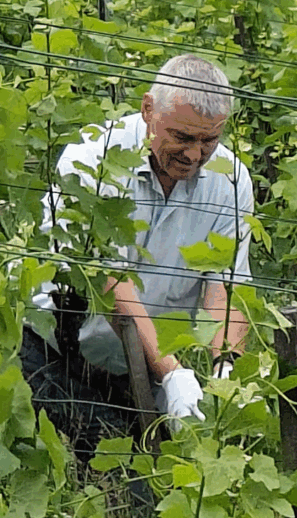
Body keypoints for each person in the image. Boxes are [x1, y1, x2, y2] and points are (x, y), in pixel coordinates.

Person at [23, 54, 252, 450]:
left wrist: (224, 372)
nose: (195, 155)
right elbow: (109, 284)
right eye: (182, 137)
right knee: (114, 477)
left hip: (140, 372)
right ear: (148, 109)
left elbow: (226, 289)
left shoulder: (230, 183)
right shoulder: (93, 159)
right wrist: (174, 374)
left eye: (209, 140)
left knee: (158, 481)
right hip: (53, 353)